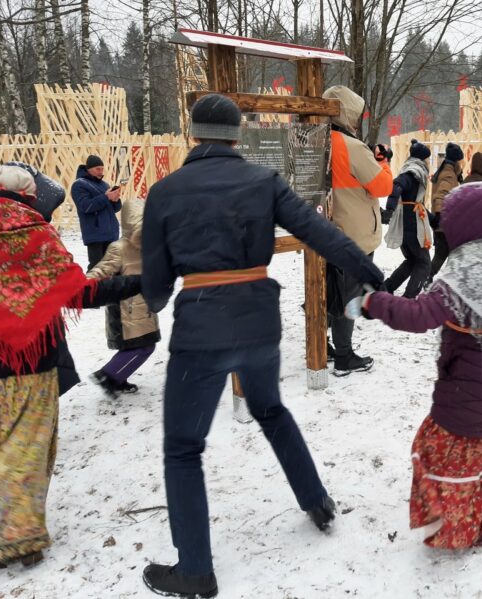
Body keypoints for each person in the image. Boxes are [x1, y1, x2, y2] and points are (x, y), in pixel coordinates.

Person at [140, 94, 385, 598]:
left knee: (183, 449)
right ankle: (316, 501)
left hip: (201, 329)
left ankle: (195, 570)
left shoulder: (165, 191)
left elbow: (156, 287)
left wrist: (156, 293)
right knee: (271, 410)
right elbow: (323, 233)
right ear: (236, 137)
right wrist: (373, 275)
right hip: (258, 321)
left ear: (194, 135)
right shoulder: (263, 180)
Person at [345, 182, 482, 548]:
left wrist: (373, 304)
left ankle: (467, 519)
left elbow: (417, 315)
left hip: (463, 381)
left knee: (456, 445)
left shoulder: (461, 276)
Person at [0, 165, 141, 567]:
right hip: (36, 362)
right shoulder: (39, 233)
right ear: (30, 196)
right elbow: (81, 293)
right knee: (28, 452)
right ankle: (21, 540)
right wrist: (141, 281)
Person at [322, 85, 393, 374]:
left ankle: (319, 343)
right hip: (353, 236)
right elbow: (382, 185)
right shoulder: (351, 146)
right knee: (348, 296)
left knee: (325, 292)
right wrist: (383, 162)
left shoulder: (315, 141)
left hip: (323, 230)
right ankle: (344, 356)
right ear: (348, 113)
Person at [87, 198, 160, 397]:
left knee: (143, 345)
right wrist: (85, 286)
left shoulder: (152, 246)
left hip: (145, 307)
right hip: (125, 308)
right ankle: (107, 375)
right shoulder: (119, 248)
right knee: (143, 347)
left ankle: (118, 378)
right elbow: (100, 271)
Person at [382, 139, 433, 298]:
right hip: (411, 223)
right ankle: (409, 298)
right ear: (422, 159)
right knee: (424, 263)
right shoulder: (413, 172)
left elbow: (418, 203)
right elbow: (397, 185)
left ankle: (388, 287)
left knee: (412, 260)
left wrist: (435, 220)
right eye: (426, 159)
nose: (427, 162)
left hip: (408, 220)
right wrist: (389, 209)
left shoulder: (412, 170)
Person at [71, 155, 122, 269]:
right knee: (97, 268)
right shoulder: (79, 185)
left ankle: (109, 287)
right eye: (97, 169)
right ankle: (89, 287)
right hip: (95, 233)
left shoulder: (104, 185)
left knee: (113, 268)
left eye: (102, 169)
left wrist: (115, 200)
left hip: (111, 233)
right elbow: (86, 206)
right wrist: (106, 197)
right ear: (89, 169)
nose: (101, 172)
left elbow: (114, 209)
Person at [427, 142, 464, 282]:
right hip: (444, 223)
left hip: (444, 223)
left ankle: (429, 278)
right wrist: (439, 215)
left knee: (443, 253)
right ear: (456, 161)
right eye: (461, 161)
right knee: (443, 254)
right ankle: (427, 278)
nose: (462, 163)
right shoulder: (449, 175)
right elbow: (441, 195)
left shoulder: (447, 172)